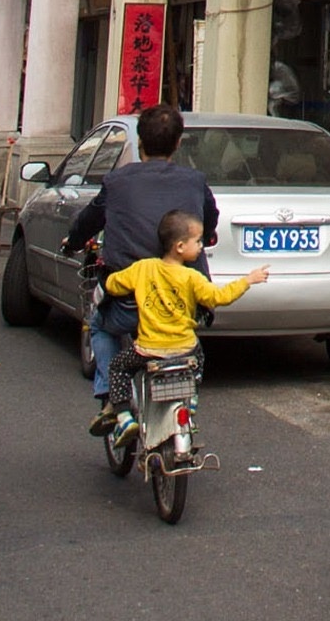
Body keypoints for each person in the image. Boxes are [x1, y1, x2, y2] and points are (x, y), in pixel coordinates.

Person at [62, 102, 222, 426]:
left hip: (129, 301)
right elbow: (210, 218)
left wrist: (72, 242)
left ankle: (112, 402)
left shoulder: (117, 181)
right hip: (184, 297)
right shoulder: (194, 180)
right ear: (178, 143)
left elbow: (88, 221)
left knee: (99, 326)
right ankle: (186, 401)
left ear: (139, 142)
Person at [101, 210, 266, 393]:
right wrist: (248, 280)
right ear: (180, 246)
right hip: (185, 348)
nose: (201, 246)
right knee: (199, 358)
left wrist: (107, 275)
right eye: (197, 241)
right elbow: (219, 297)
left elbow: (112, 285)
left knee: (118, 367)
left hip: (148, 350)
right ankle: (192, 396)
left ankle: (123, 414)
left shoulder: (143, 268)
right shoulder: (192, 277)